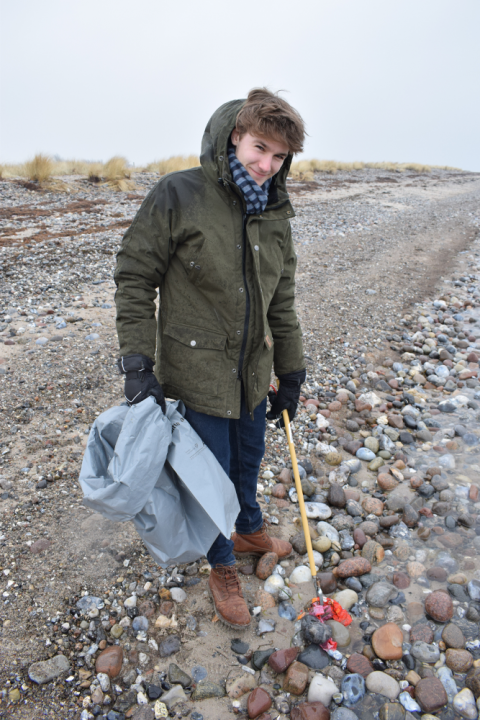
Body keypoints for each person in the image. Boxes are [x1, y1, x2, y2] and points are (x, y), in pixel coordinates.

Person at [114, 88, 306, 629]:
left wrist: (290, 369)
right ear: (234, 137)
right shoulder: (179, 194)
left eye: (279, 156)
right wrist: (136, 363)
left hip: (253, 371)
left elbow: (281, 301)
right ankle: (221, 562)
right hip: (196, 374)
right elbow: (134, 277)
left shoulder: (274, 211)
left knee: (249, 453)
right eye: (259, 147)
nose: (266, 165)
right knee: (211, 473)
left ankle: (248, 527)